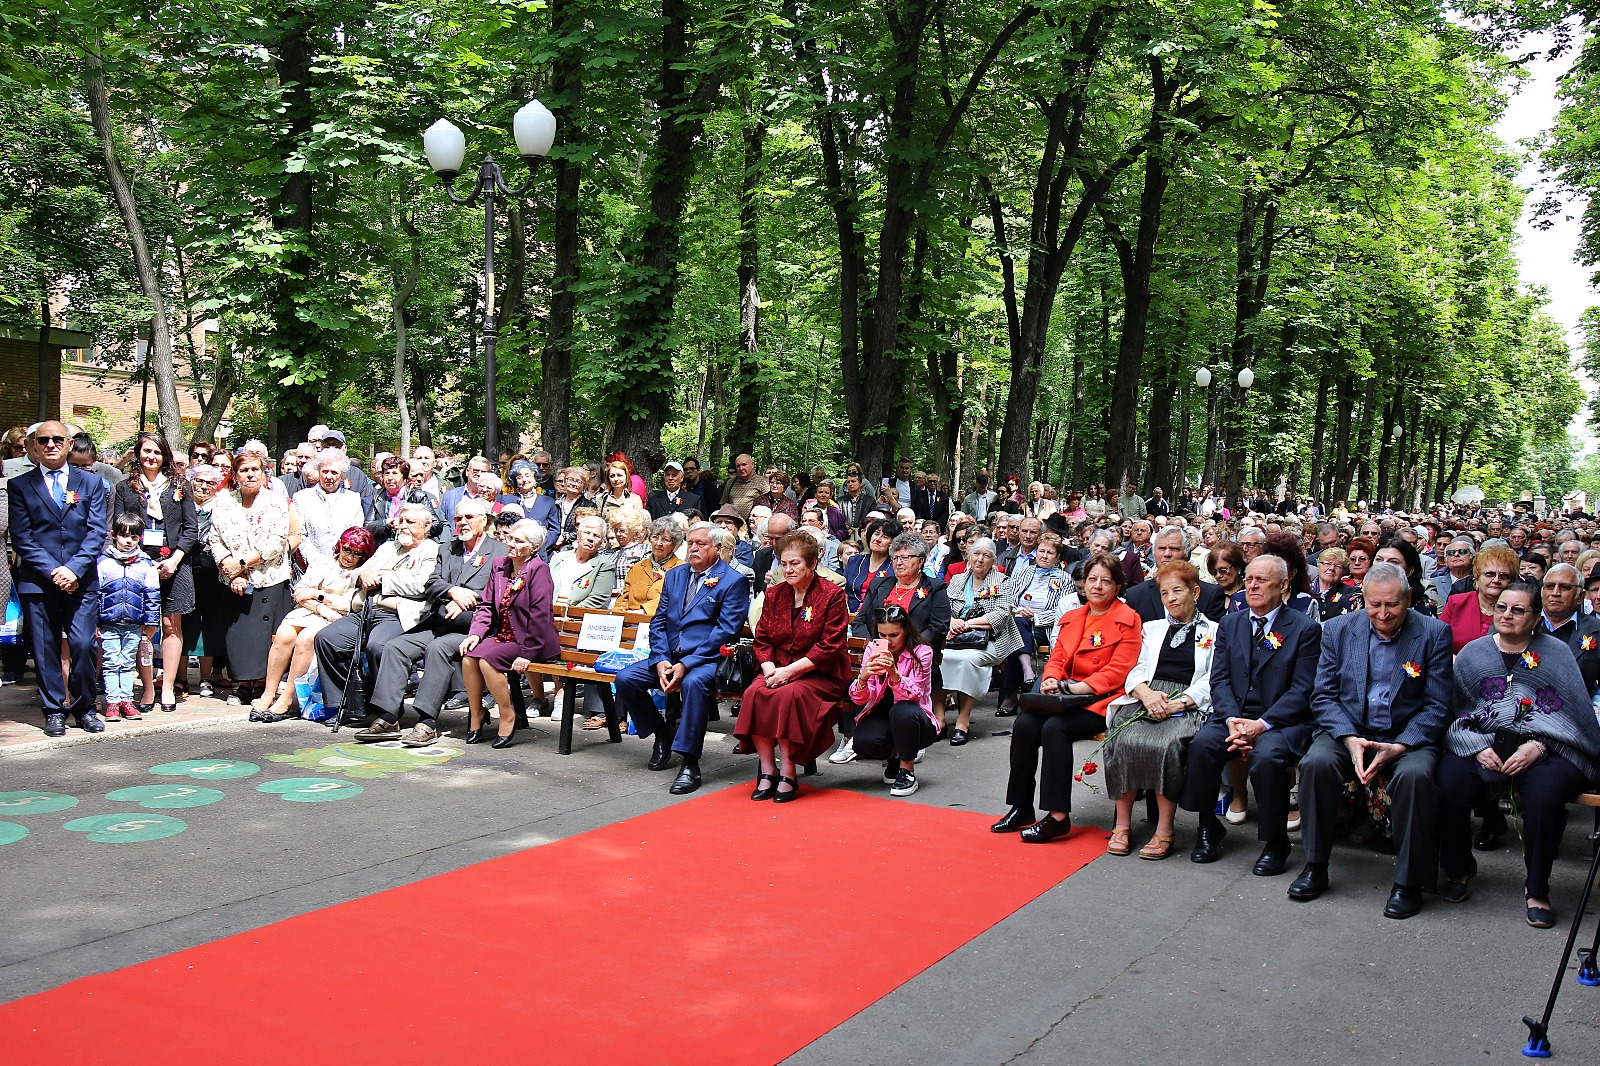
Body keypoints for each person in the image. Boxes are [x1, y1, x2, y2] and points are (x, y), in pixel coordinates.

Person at [1290, 561, 1454, 919]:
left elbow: (1438, 704)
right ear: (1361, 599)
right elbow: (1324, 696)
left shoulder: (1433, 633)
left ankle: (1408, 882)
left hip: (1405, 735)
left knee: (1415, 777)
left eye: (1392, 604)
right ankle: (1315, 865)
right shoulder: (1336, 630)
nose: (1382, 613)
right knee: (1315, 763)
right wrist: (1349, 739)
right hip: (1349, 729)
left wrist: (1401, 745)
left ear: (1408, 598)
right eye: (1374, 604)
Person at [1438, 582, 1600, 927]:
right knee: (1450, 780)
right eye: (1501, 608)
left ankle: (1537, 887)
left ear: (1535, 617)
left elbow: (1574, 717)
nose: (1507, 615)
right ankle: (1458, 868)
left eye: (1517, 610)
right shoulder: (1473, 653)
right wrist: (1476, 747)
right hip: (1483, 742)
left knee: (1545, 796)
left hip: (1545, 747)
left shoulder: (1555, 654)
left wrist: (1539, 745)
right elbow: (1455, 712)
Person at [1180, 555, 1322, 872]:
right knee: (1202, 746)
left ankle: (1275, 842)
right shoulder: (1232, 623)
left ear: (1284, 585)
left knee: (1268, 758)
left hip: (1278, 721)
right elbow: (1219, 679)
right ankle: (1208, 828)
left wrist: (1261, 724)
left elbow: (1302, 690)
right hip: (1234, 716)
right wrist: (1231, 719)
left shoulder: (1305, 629)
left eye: (1262, 580)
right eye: (1250, 578)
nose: (1253, 585)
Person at [991, 554, 1141, 843]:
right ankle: (1021, 807)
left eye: (1105, 581)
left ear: (1118, 587)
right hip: (1064, 695)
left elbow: (1119, 670)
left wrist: (1076, 688)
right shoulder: (1074, 617)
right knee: (1024, 725)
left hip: (1101, 699)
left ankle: (1057, 816)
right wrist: (1050, 679)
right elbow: (1057, 656)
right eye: (1092, 579)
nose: (1097, 586)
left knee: (1053, 729)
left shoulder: (1128, 619)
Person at [614, 523, 750, 793]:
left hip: (706, 660)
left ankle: (690, 763)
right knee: (626, 679)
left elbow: (725, 632)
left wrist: (686, 664)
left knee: (693, 684)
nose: (694, 549)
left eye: (701, 544)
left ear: (718, 548)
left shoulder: (733, 581)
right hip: (670, 656)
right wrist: (661, 659)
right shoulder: (676, 575)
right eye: (690, 543)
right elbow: (659, 622)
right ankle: (662, 733)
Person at [364, 498, 509, 744]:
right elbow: (431, 584)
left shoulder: (500, 552)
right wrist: (452, 592)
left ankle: (427, 721)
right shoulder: (447, 548)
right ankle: (388, 716)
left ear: (484, 521)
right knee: (395, 647)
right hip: (441, 622)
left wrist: (469, 598)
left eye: (469, 517)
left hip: (477, 627)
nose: (462, 522)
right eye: (458, 518)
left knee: (438, 649)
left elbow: (500, 592)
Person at [1102, 561, 1217, 859]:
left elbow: (1214, 677)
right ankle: (1123, 825)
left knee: (1166, 746)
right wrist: (1146, 694)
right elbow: (1135, 667)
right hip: (1148, 696)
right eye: (1165, 593)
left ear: (1195, 592)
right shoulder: (1151, 629)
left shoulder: (1215, 632)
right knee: (1122, 738)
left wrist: (1180, 702)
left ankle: (1165, 828)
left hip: (1186, 700)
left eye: (1178, 591)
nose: (1171, 599)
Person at [735, 531, 852, 801]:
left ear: (812, 563)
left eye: (795, 563)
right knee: (756, 693)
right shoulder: (775, 594)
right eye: (784, 563)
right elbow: (761, 638)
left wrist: (789, 672)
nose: (788, 569)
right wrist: (769, 669)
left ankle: (788, 770)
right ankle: (768, 769)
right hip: (777, 669)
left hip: (819, 673)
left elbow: (829, 646)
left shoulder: (831, 595)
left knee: (787, 697)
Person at [311, 504, 440, 725]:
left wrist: (381, 577)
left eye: (410, 522)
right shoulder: (388, 548)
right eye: (401, 521)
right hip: (366, 609)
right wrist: (364, 575)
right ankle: (347, 705)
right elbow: (355, 574)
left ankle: (386, 710)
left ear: (426, 526)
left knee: (377, 646)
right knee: (327, 639)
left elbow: (421, 584)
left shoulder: (431, 550)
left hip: (398, 614)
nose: (404, 526)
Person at [249, 527, 376, 722]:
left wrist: (317, 595)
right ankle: (268, 693)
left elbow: (348, 604)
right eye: (347, 549)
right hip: (313, 611)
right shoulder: (324, 562)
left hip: (338, 617)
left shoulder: (361, 574)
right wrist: (320, 607)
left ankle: (287, 699)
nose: (350, 557)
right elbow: (300, 591)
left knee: (306, 639)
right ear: (340, 546)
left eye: (357, 554)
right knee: (284, 634)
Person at [112, 432, 199, 713]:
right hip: (136, 566)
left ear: (165, 457)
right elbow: (116, 527)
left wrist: (174, 559)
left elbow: (190, 528)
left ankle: (169, 687)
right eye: (146, 451)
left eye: (157, 452)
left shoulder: (180, 486)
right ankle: (148, 687)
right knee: (144, 629)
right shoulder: (125, 488)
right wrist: (137, 559)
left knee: (172, 626)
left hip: (174, 563)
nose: (151, 457)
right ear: (138, 454)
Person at [455, 520, 561, 749]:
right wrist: (476, 634)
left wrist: (529, 653)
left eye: (518, 541)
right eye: (510, 538)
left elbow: (540, 616)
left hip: (532, 640)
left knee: (487, 661)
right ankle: (477, 714)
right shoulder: (499, 565)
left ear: (533, 548)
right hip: (504, 636)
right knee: (469, 657)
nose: (510, 543)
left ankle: (507, 714)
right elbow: (485, 606)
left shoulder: (538, 569)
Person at [207, 453, 294, 705]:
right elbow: (215, 539)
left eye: (255, 469)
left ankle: (263, 685)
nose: (250, 474)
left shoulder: (276, 501)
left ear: (264, 473)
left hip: (268, 577)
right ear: (235, 475)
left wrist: (243, 564)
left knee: (265, 634)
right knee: (240, 634)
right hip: (233, 580)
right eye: (244, 470)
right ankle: (243, 683)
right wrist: (230, 569)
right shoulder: (224, 502)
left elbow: (278, 541)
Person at [937, 537, 1024, 745]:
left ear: (993, 560)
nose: (980, 559)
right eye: (976, 554)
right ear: (968, 556)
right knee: (938, 659)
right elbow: (943, 608)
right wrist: (951, 621)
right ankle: (938, 719)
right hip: (956, 638)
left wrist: (968, 624)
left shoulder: (1002, 581)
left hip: (990, 639)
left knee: (968, 661)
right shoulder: (957, 579)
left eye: (986, 555)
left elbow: (1002, 614)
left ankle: (962, 721)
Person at [847, 604, 937, 797]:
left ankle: (907, 769)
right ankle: (895, 756)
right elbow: (858, 699)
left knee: (902, 710)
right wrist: (863, 678)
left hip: (915, 718)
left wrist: (894, 675)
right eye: (882, 635)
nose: (887, 641)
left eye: (893, 635)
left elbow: (914, 694)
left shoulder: (922, 652)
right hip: (881, 714)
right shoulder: (873, 649)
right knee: (862, 744)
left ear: (906, 630)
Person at [96, 512, 161, 722]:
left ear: (140, 538)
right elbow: (96, 593)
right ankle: (113, 701)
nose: (128, 541)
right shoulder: (103, 562)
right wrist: (95, 621)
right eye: (124, 536)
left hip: (134, 623)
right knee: (111, 661)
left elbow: (152, 594)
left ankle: (127, 700)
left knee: (127, 662)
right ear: (114, 535)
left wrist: (151, 622)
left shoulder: (145, 564)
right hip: (109, 622)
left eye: (134, 537)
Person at [1125, 526, 1226, 623]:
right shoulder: (1135, 596)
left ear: (1187, 554)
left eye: (1174, 549)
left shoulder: (1211, 595)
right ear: (1154, 553)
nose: (1167, 554)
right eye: (1162, 548)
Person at [293, 450, 367, 572]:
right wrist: (317, 562)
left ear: (342, 475)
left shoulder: (353, 499)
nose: (329, 477)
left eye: (334, 472)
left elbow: (355, 534)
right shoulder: (302, 498)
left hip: (344, 568)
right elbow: (301, 535)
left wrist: (342, 562)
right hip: (312, 568)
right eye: (325, 471)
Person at [1441, 545, 1517, 654]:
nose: (1496, 580)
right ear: (1477, 577)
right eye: (1489, 574)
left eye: (1503, 576)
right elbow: (1438, 643)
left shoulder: (1517, 609)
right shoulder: (1457, 603)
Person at [614, 518, 686, 616]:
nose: (658, 543)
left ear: (674, 544)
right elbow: (624, 598)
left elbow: (674, 600)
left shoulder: (682, 569)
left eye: (665, 539)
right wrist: (620, 615)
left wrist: (643, 612)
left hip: (659, 622)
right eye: (655, 537)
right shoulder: (638, 567)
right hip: (630, 621)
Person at [548, 514, 617, 607]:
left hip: (577, 618)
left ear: (601, 542)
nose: (590, 538)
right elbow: (543, 588)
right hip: (548, 613)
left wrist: (568, 614)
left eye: (596, 536)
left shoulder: (605, 565)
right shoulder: (558, 558)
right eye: (587, 532)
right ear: (578, 534)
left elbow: (597, 599)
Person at [719, 453, 763, 522]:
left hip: (754, 524)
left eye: (744, 465)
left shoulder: (762, 482)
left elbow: (768, 506)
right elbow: (723, 504)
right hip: (733, 524)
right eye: (738, 466)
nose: (741, 468)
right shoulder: (730, 483)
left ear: (752, 464)